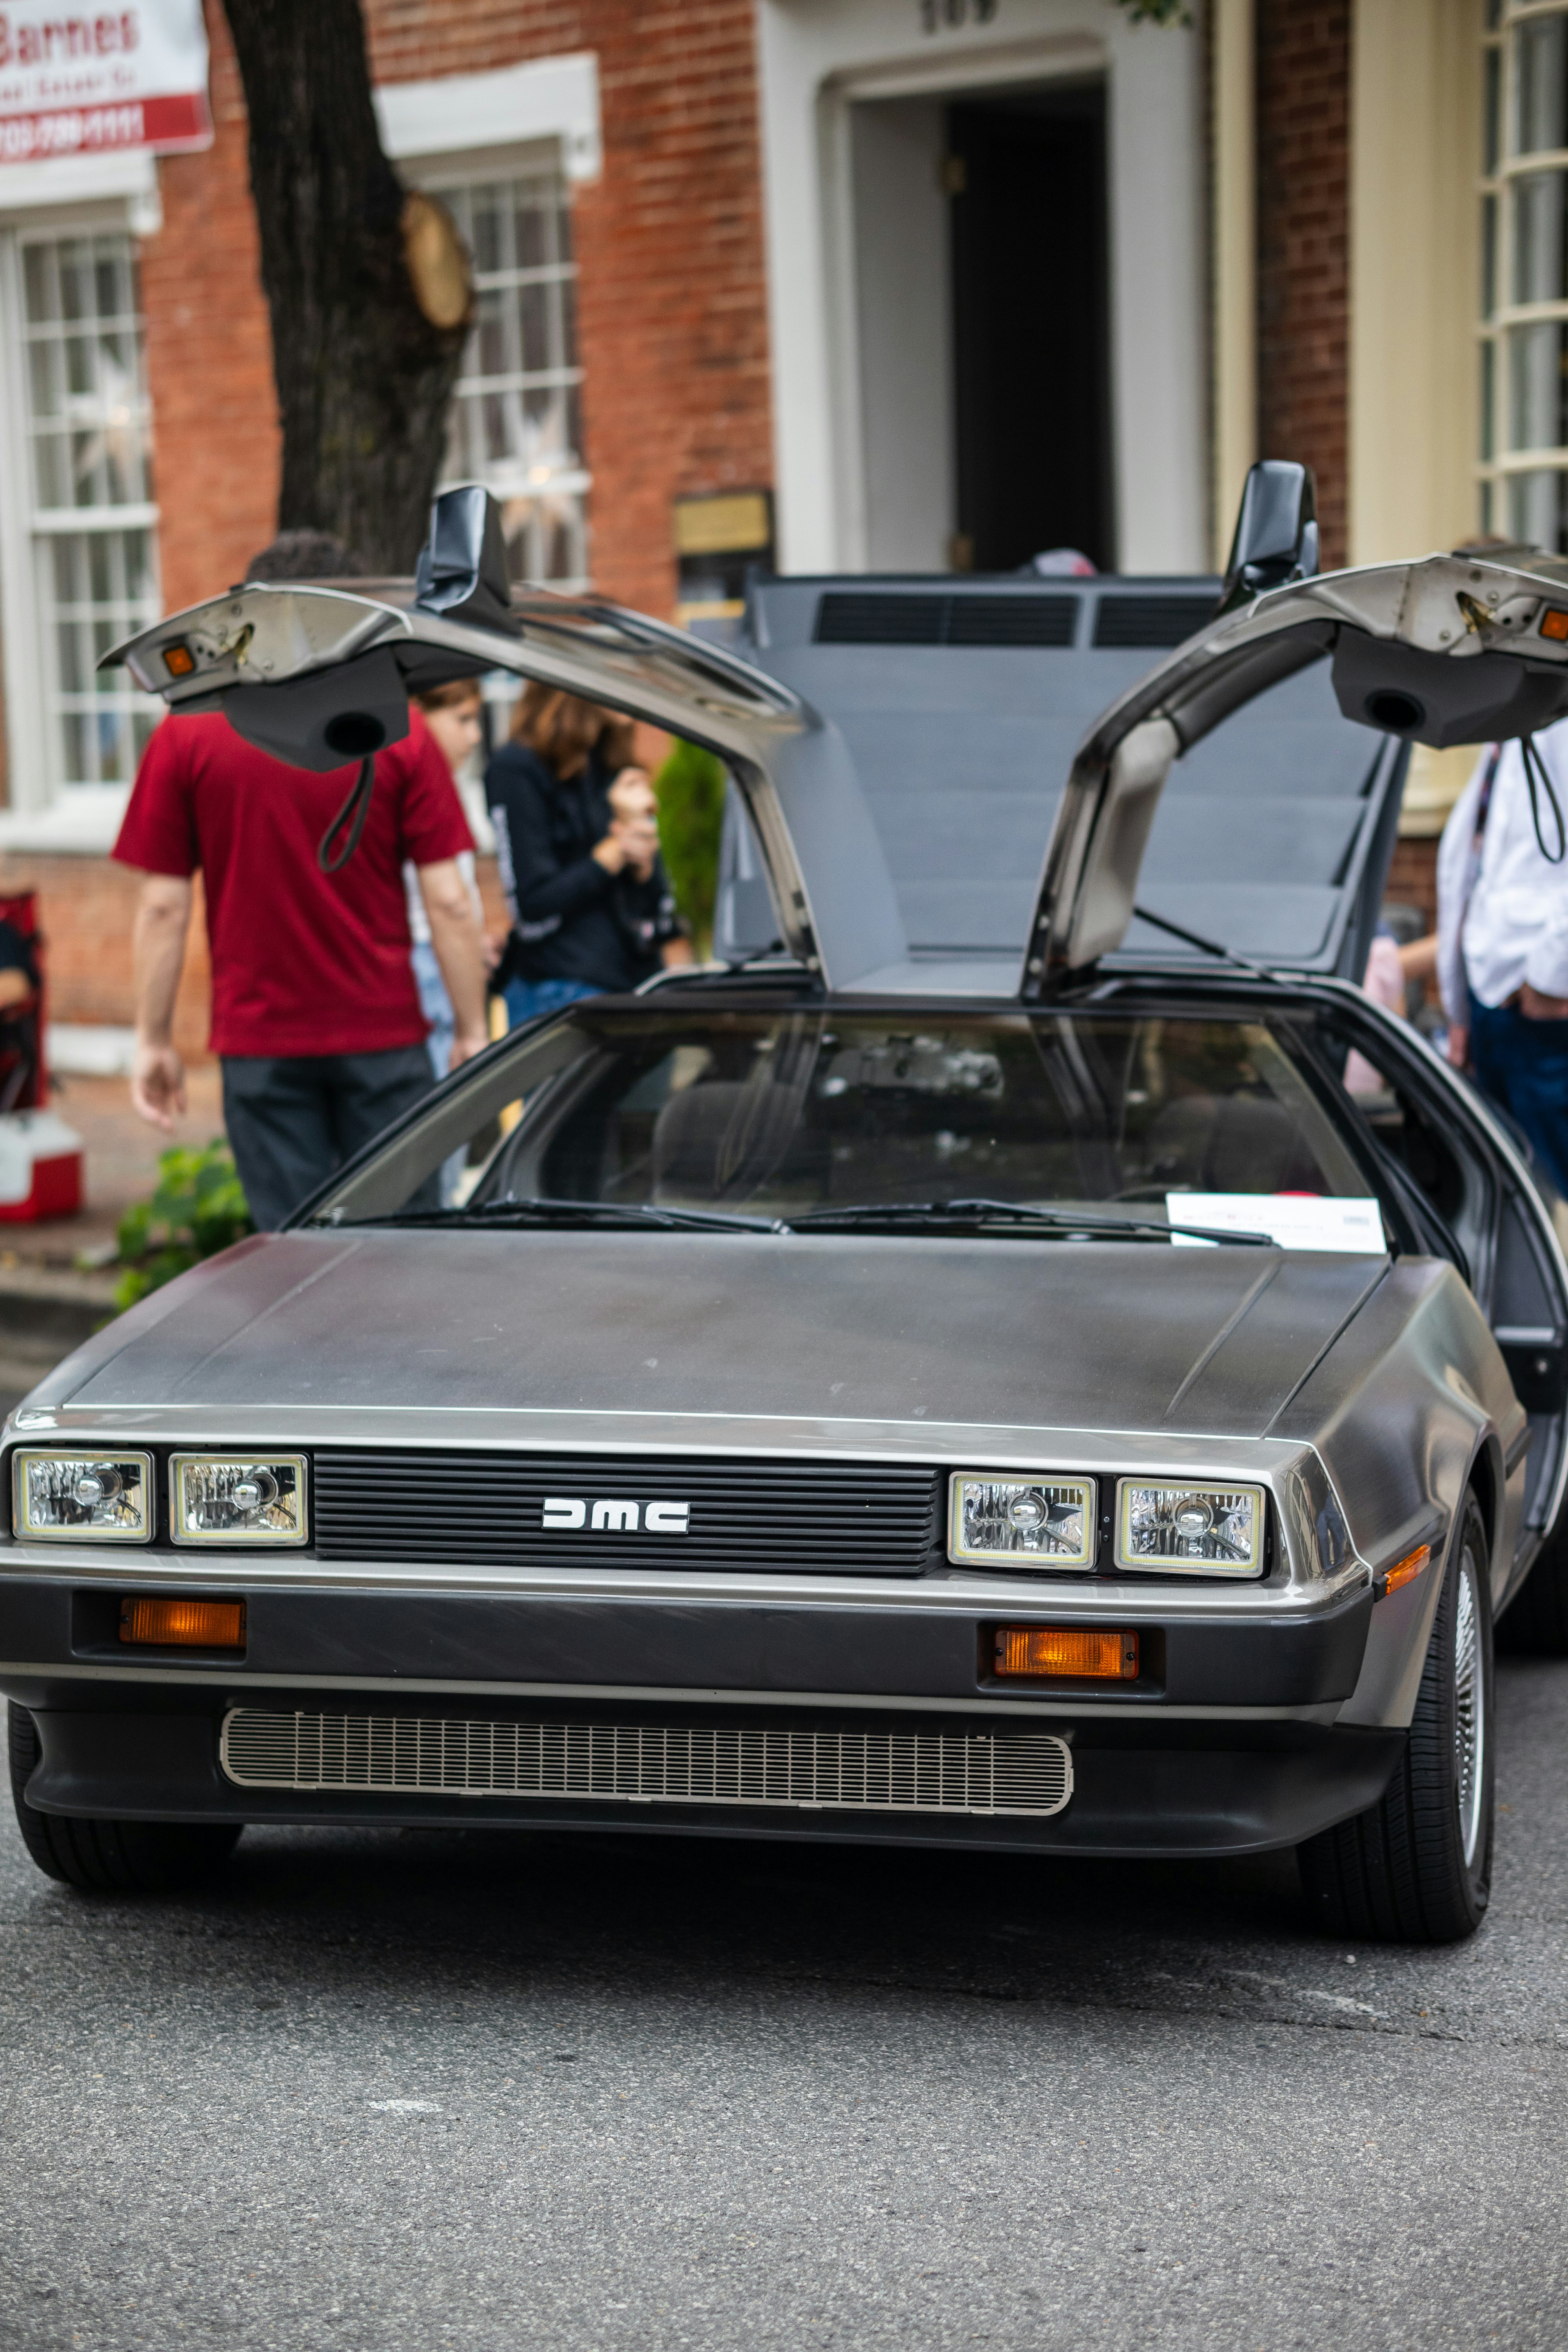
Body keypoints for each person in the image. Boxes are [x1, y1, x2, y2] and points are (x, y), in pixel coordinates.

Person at [115, 531, 489, 1230]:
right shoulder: (401, 731)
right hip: (385, 1042)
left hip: (262, 1047)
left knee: (292, 1263)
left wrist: (152, 1041)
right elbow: (449, 900)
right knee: (404, 1251)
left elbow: (164, 908)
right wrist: (471, 1030)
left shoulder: (185, 735)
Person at [485, 684, 691, 1027]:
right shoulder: (518, 767)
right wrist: (614, 853)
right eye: (617, 676)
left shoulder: (612, 762)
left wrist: (642, 862)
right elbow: (532, 902)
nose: (631, 686)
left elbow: (656, 901)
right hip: (564, 987)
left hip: (640, 986)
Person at [1437, 717, 1568, 1192]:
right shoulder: (1517, 713)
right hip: (1494, 994)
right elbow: (1474, 864)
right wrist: (1460, 1007)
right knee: (1517, 1192)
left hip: (1539, 1002)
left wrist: (1553, 980)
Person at [402, 678, 495, 1080]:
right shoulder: (413, 783)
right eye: (463, 720)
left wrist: (476, 940)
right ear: (418, 714)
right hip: (428, 958)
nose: (475, 737)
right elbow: (448, 902)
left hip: (445, 955)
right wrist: (474, 1029)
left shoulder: (455, 783)